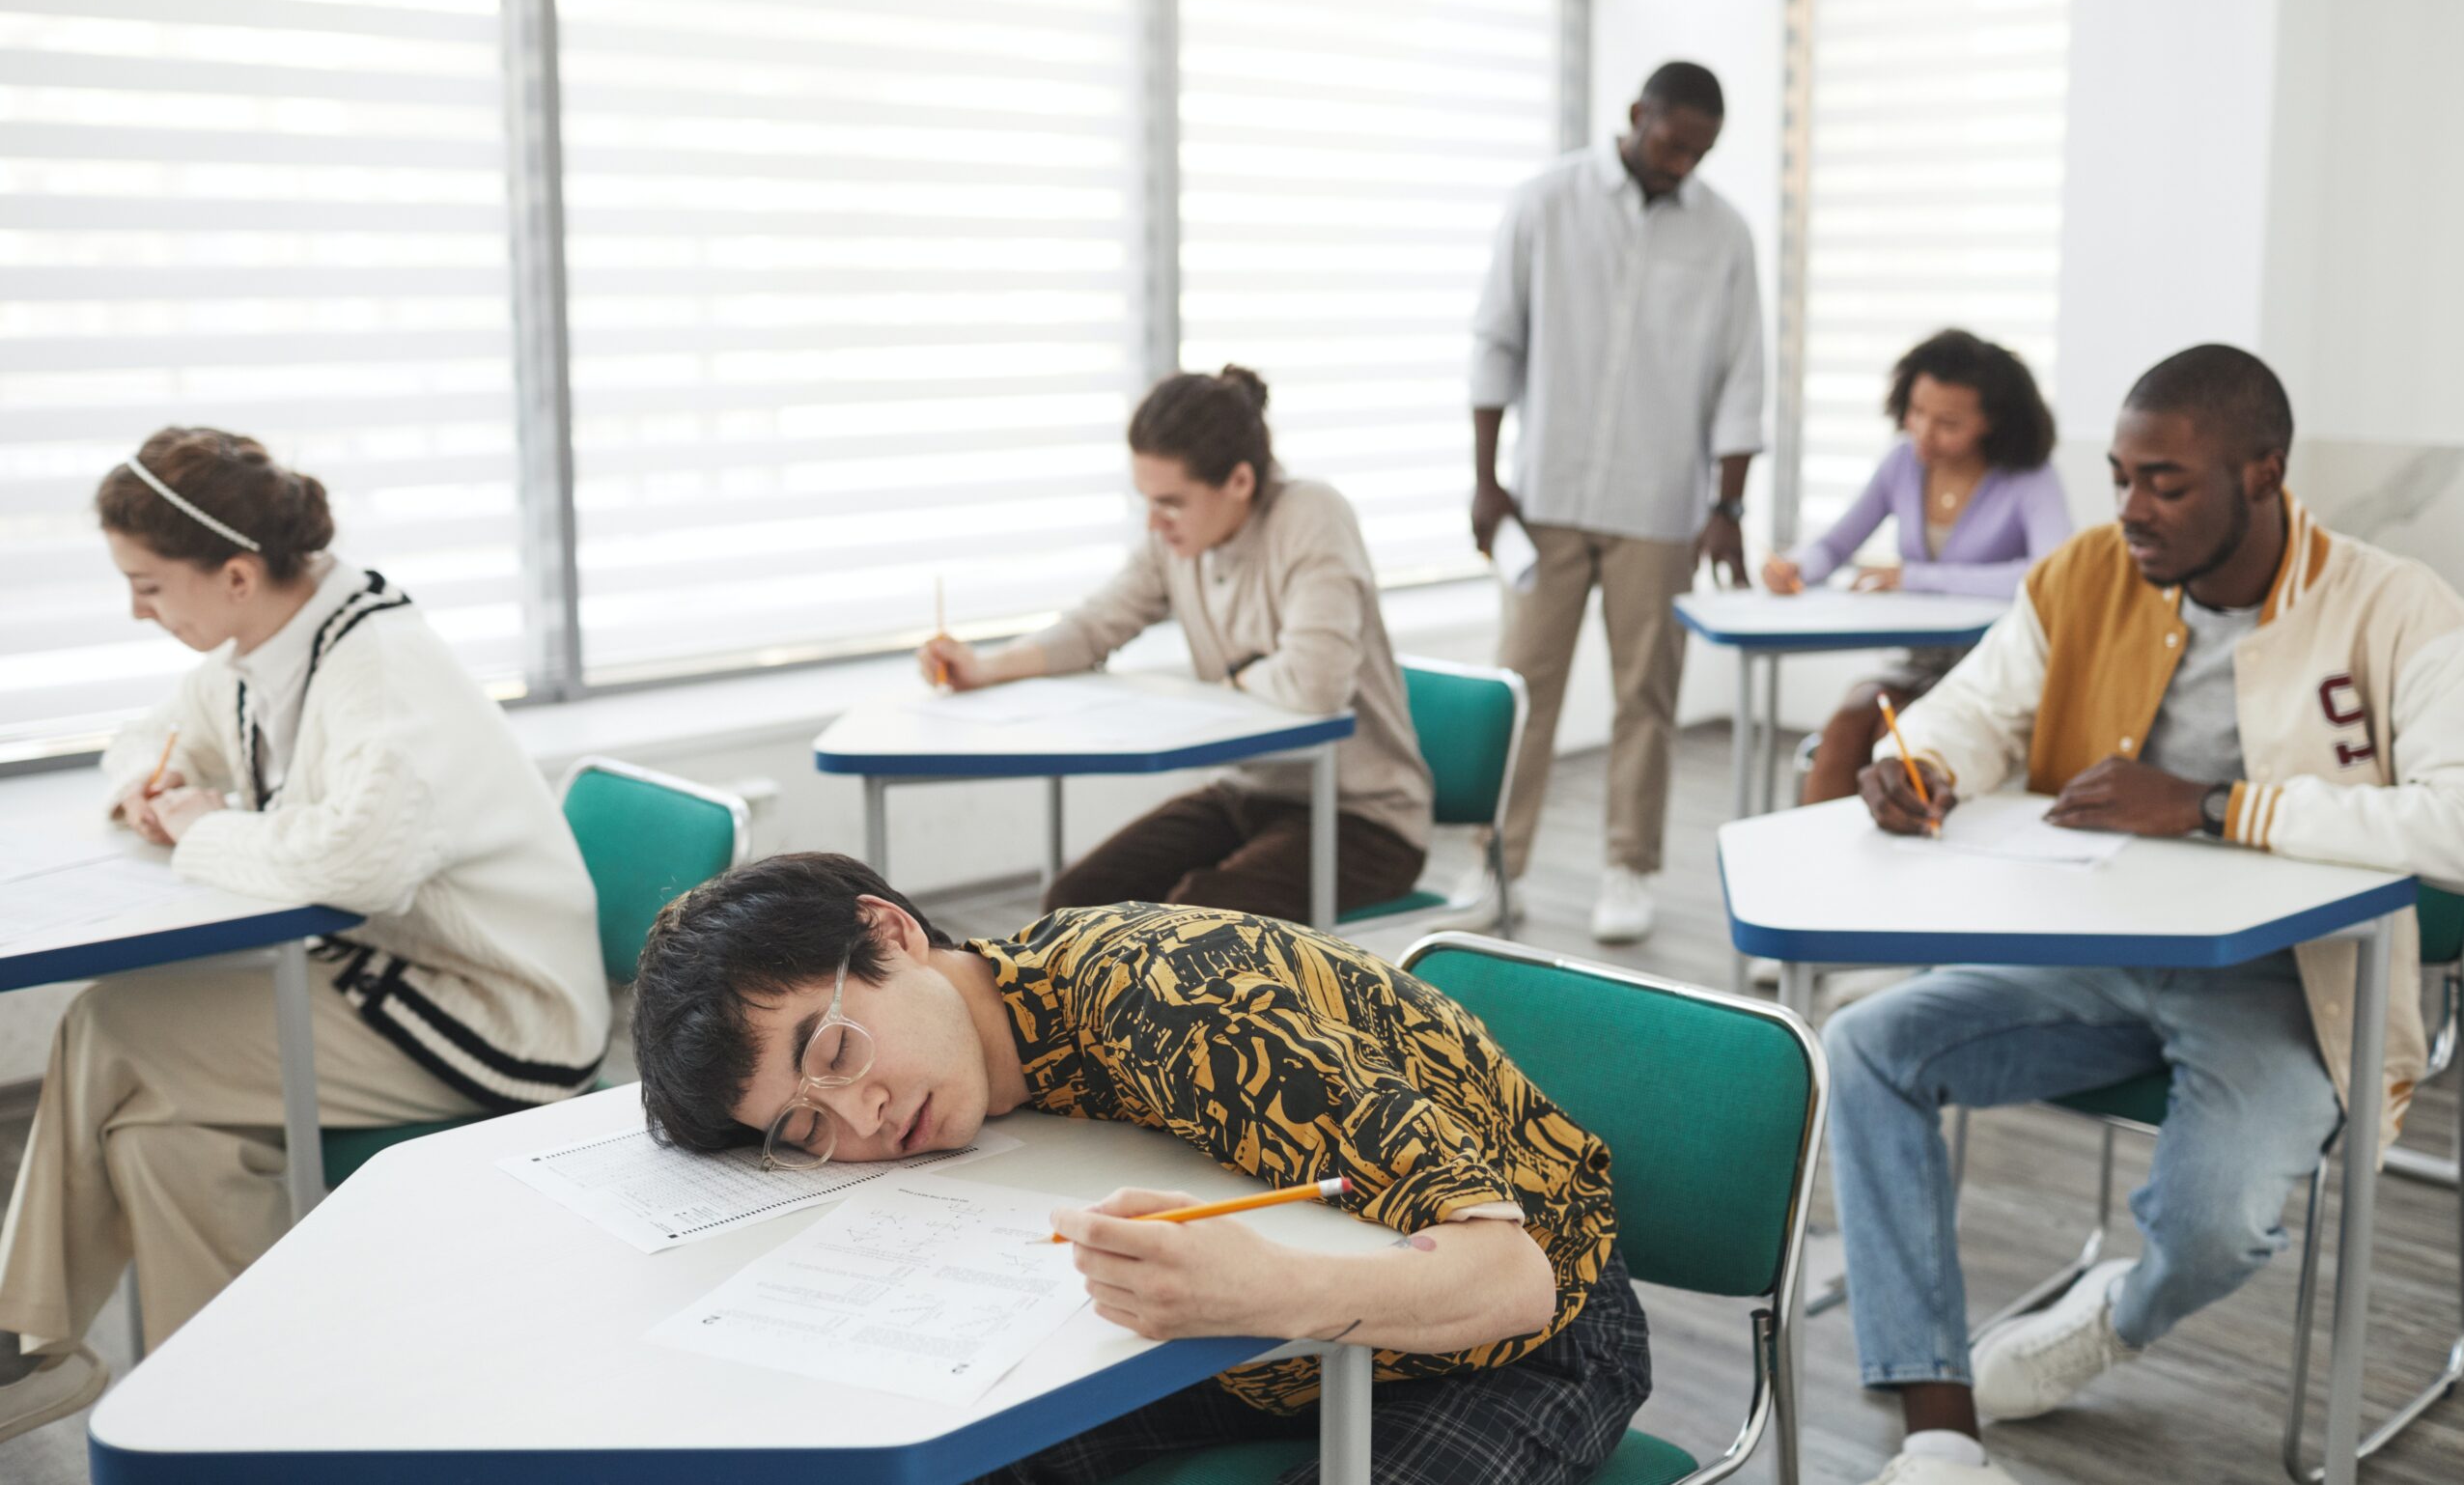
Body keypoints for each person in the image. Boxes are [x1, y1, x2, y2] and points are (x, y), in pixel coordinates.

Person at [1822, 346, 2464, 1485]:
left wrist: (2219, 806)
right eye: (2121, 476)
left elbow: (2461, 824)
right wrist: (1914, 762)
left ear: (2262, 473)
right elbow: (1973, 710)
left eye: (2165, 483)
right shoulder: (2083, 575)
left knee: (2213, 1222)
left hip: (2282, 983)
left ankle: (2115, 1313)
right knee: (1866, 1044)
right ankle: (1938, 1424)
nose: (2131, 509)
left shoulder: (2395, 604)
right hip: (2094, 953)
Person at [630, 854, 1645, 1484]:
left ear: (890, 932)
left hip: (1528, 1334)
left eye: (837, 1051)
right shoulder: (1005, 1035)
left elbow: (1516, 1282)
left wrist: (1268, 1291)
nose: (861, 1114)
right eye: (806, 1132)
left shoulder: (1175, 1007)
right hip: (1267, 1357)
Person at [0, 428, 608, 1442]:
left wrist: (203, 825)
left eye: (148, 586)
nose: (136, 609)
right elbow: (142, 741)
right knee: (162, 1141)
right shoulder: (261, 648)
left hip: (496, 1015)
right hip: (384, 978)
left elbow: (351, 866)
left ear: (235, 573)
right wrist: (148, 788)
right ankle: (231, 1416)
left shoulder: (378, 667)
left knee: (112, 1023)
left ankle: (26, 1348)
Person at [918, 366, 1431, 926]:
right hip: (1249, 796)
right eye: (1145, 501)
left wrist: (1236, 673)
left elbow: (1315, 684)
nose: (1154, 523)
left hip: (1362, 817)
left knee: (1187, 921)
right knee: (1075, 903)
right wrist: (986, 667)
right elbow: (1095, 626)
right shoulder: (1177, 539)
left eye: (1171, 502)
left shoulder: (1312, 516)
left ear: (1238, 481)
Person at [1469, 60, 1765, 940]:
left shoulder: (1726, 235)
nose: (1685, 163)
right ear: (1639, 115)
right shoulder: (1544, 202)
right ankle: (1493, 864)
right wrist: (1485, 481)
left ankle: (1628, 868)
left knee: (1647, 696)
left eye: (1703, 151)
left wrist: (1730, 506)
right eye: (1675, 143)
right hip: (1547, 495)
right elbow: (1495, 342)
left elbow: (1742, 378)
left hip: (1660, 505)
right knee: (1520, 690)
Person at [1761, 328, 2070, 802]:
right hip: (1915, 663)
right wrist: (1795, 567)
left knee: (1895, 744)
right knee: (1847, 727)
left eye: (1947, 423)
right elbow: (1834, 545)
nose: (1924, 433)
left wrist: (1915, 577)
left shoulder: (2030, 477)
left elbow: (2050, 577)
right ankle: (1816, 866)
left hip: (1990, 675)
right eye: (1917, 412)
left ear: (1993, 422)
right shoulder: (1903, 464)